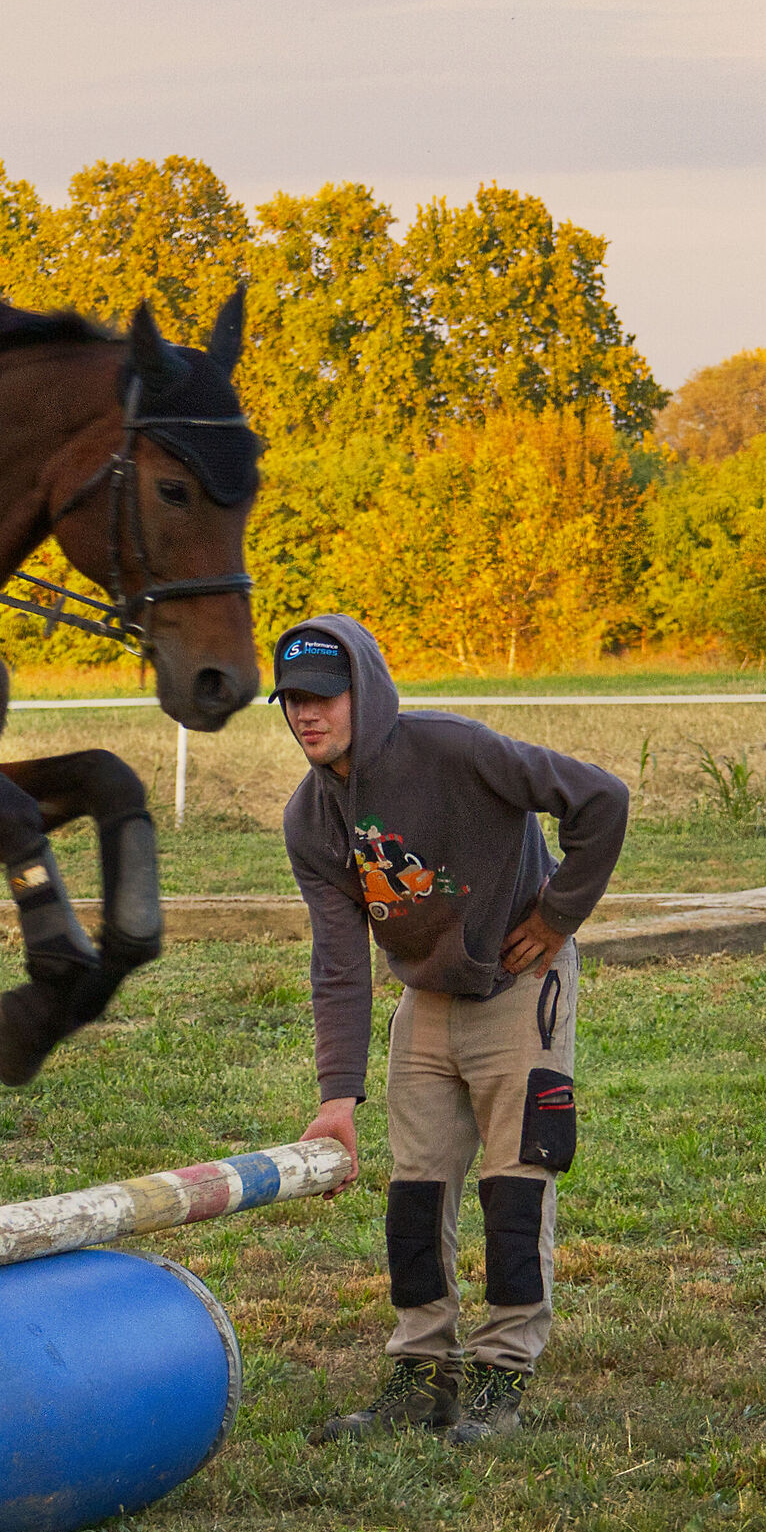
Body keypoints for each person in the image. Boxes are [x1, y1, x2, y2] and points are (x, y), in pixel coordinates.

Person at [278, 617, 629, 1447]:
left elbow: (601, 798)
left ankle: (501, 1374)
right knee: (416, 1187)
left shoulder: (458, 751)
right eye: (291, 701)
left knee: (516, 1177)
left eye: (322, 697)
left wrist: (558, 914)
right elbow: (339, 960)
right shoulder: (311, 819)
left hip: (518, 978)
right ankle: (422, 1370)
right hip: (426, 998)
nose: (306, 715)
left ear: (363, 691)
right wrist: (337, 1096)